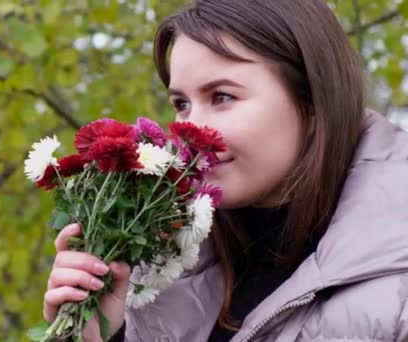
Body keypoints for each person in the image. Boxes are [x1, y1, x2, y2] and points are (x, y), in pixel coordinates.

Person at [42, 1, 408, 341]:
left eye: (222, 97)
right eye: (181, 103)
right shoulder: (157, 269)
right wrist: (109, 333)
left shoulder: (394, 280)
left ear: (311, 102)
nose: (191, 131)